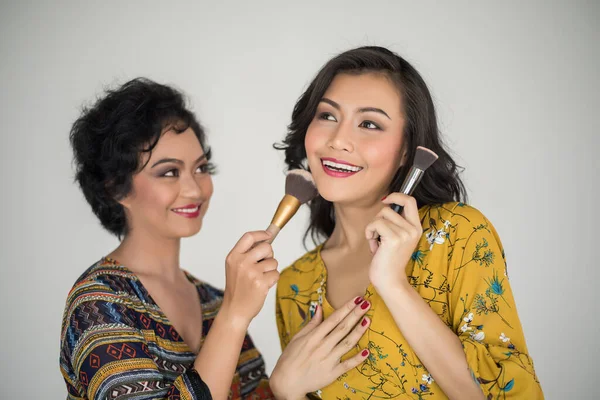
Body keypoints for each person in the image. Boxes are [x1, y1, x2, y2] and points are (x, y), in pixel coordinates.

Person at [59, 78, 372, 400]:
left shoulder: (212, 302)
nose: (195, 189)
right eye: (169, 172)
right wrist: (234, 317)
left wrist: (287, 388)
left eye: (201, 168)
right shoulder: (98, 305)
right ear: (115, 187)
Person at [275, 46, 544, 399]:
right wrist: (284, 391)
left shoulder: (459, 236)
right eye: (327, 116)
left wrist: (393, 284)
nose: (338, 139)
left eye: (369, 123)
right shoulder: (295, 285)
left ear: (407, 149)